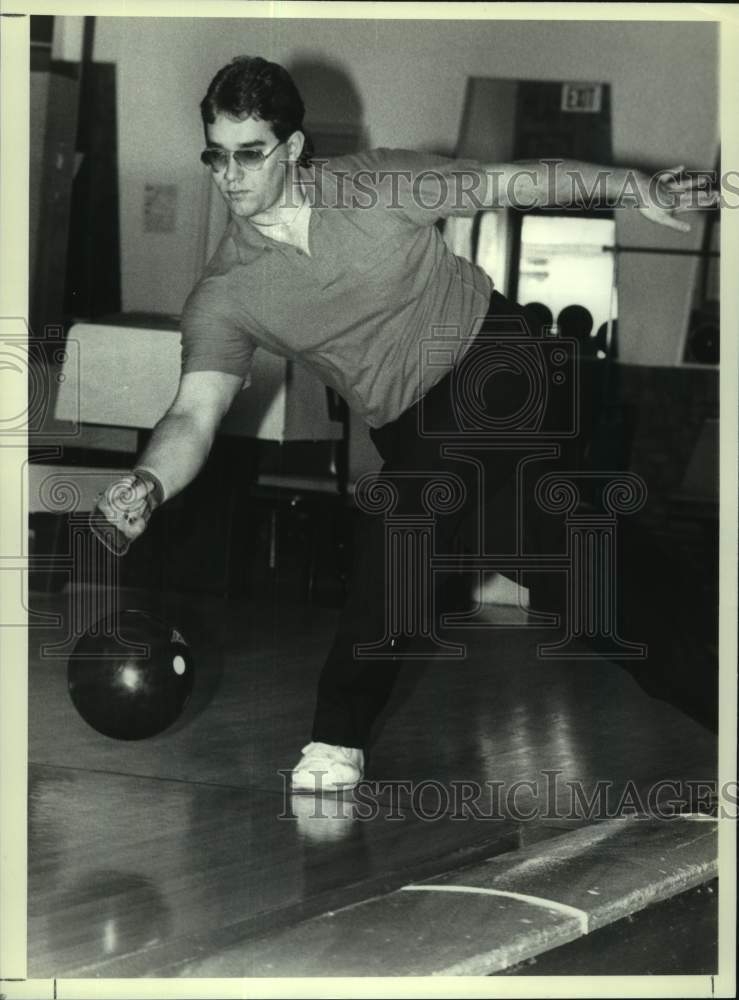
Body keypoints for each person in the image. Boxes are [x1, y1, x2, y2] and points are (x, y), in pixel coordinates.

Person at [95, 56, 709, 792]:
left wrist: (634, 187)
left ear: (292, 148)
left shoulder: (378, 184)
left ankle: (336, 735)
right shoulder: (228, 292)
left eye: (248, 154)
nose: (230, 175)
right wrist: (149, 481)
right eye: (216, 156)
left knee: (406, 515)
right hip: (417, 431)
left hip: (497, 365)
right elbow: (194, 412)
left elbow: (511, 182)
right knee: (588, 583)